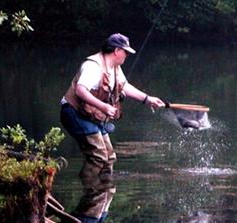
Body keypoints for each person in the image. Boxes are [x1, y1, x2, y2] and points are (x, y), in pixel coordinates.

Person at [60, 33, 165, 181]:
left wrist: (147, 99)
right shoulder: (93, 66)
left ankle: (104, 192)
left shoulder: (115, 67)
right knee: (98, 156)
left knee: (109, 158)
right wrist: (103, 106)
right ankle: (89, 190)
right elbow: (80, 90)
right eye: (125, 52)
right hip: (74, 113)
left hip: (91, 115)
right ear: (116, 51)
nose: (127, 56)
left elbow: (125, 86)